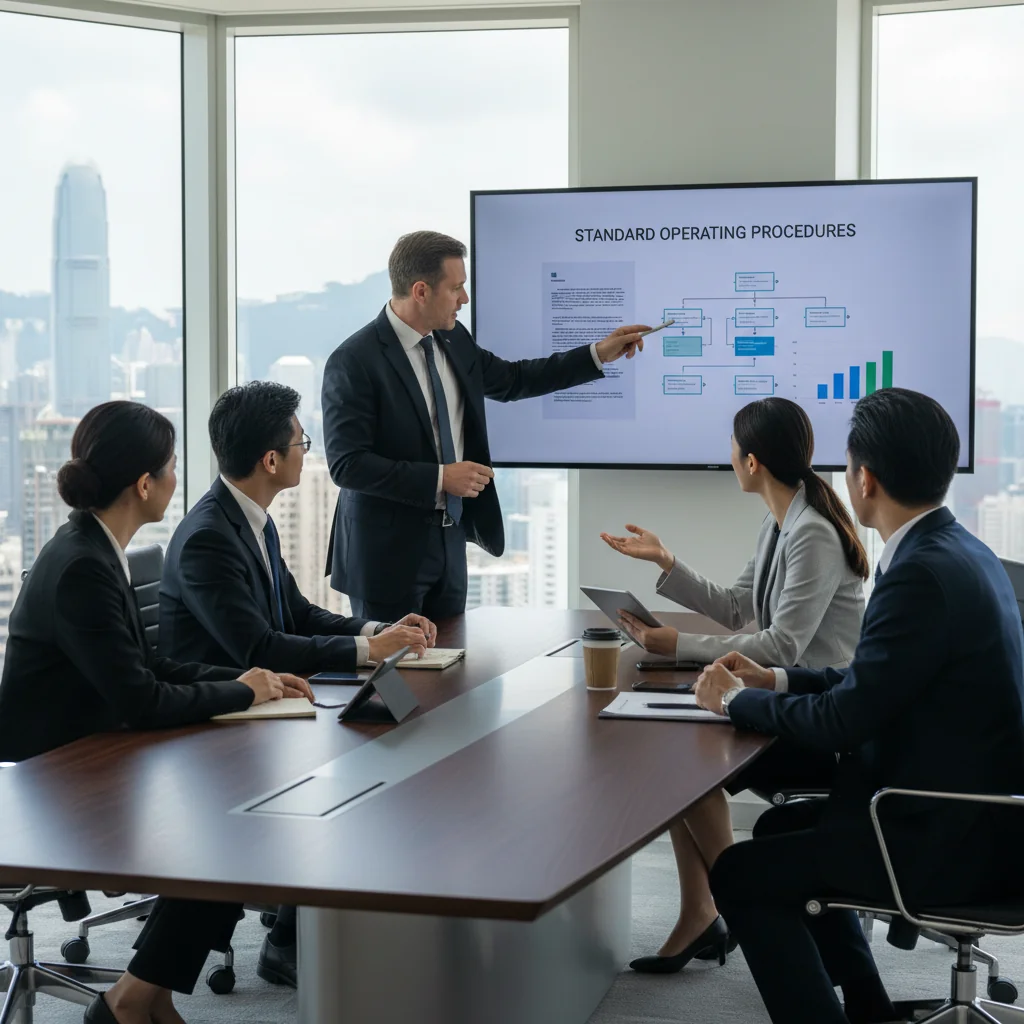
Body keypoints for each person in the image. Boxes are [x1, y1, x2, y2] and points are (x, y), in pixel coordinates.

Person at [694, 388, 1024, 1024]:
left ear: (863, 478)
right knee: (778, 830)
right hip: (973, 814)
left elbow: (845, 720)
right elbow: (872, 681)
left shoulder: (920, 574)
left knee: (740, 875)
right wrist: (778, 681)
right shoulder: (956, 551)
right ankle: (868, 1010)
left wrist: (735, 702)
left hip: (943, 834)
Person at [0, 401, 313, 1024]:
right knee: (227, 834)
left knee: (237, 819)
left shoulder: (96, 547)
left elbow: (151, 667)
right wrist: (242, 693)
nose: (177, 477)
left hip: (94, 754)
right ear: (145, 483)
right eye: (171, 466)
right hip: (52, 781)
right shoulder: (82, 568)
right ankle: (132, 999)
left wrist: (249, 681)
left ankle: (149, 995)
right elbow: (142, 700)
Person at [159, 380, 436, 988]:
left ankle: (311, 918)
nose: (307, 453)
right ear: (271, 460)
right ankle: (288, 939)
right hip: (213, 719)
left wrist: (375, 629)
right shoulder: (209, 536)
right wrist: (368, 650)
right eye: (301, 442)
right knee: (347, 765)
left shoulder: (251, 521)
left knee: (381, 736)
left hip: (264, 702)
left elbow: (299, 614)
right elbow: (257, 648)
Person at [601, 396, 868, 972]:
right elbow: (733, 608)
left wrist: (675, 644)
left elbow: (780, 649)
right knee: (673, 750)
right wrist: (666, 562)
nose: (727, 456)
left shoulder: (812, 533)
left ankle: (735, 897)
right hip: (782, 698)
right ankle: (706, 909)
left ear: (752, 462)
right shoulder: (781, 522)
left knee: (684, 759)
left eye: (731, 448)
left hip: (815, 714)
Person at [322, 229, 650, 621]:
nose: (465, 299)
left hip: (449, 543)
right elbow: (347, 465)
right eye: (456, 288)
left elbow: (514, 380)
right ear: (421, 291)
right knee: (396, 679)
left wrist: (598, 353)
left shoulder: (453, 338)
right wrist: (441, 478)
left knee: (449, 674)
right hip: (384, 559)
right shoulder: (354, 361)